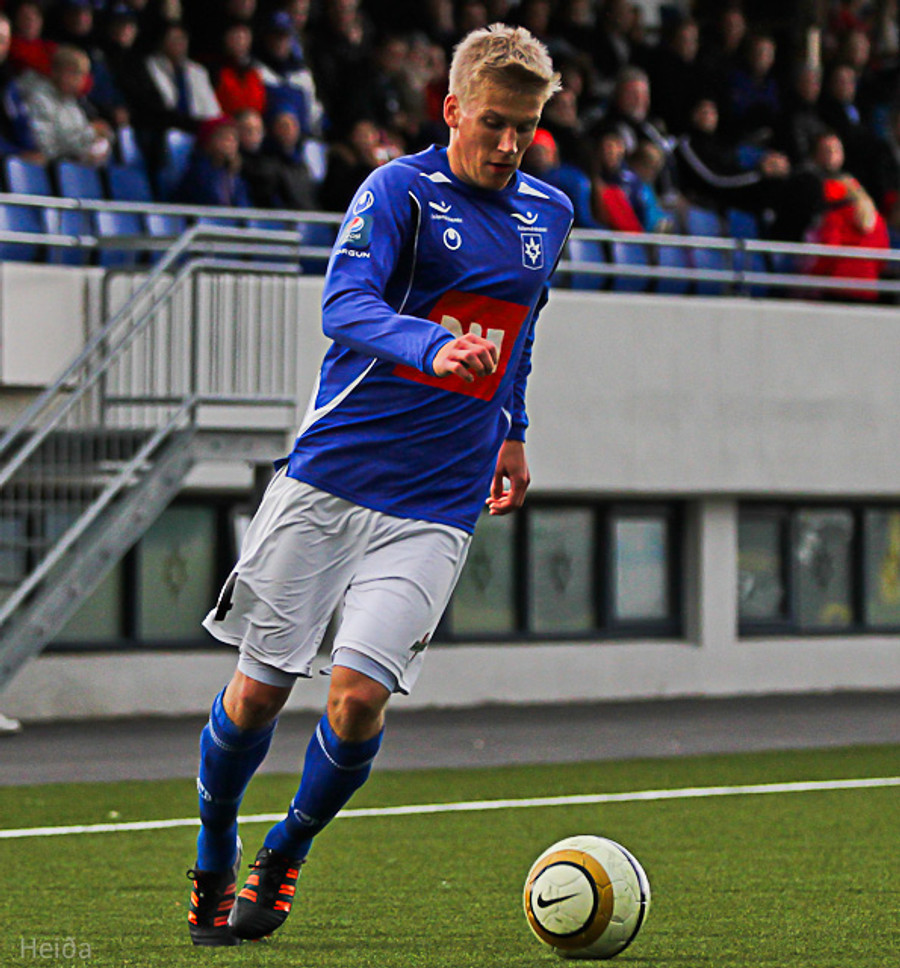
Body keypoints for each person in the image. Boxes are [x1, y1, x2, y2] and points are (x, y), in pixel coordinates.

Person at [185, 22, 573, 948]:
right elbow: (344, 304)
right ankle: (214, 842)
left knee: (359, 699)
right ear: (452, 109)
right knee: (257, 694)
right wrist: (432, 346)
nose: (508, 144)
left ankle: (285, 850)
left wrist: (513, 432)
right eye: (493, 122)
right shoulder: (398, 190)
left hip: (438, 500)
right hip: (332, 479)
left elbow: (519, 330)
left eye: (524, 128)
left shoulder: (550, 214)